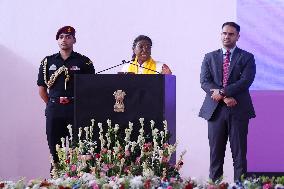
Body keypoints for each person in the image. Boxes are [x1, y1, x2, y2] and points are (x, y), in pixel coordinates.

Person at [199, 22, 256, 182]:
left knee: (239, 155)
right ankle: (215, 185)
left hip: (238, 109)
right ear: (220, 34)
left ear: (238, 36)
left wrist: (223, 92)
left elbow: (245, 81)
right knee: (215, 154)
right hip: (215, 111)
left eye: (231, 34)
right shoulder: (209, 57)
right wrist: (224, 97)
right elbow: (204, 81)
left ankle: (240, 185)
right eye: (224, 33)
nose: (227, 36)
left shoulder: (247, 57)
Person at [37, 26, 95, 165]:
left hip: (76, 109)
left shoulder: (84, 62)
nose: (64, 40)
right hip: (55, 110)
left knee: (80, 147)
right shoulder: (47, 62)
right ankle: (56, 178)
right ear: (57, 40)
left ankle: (79, 178)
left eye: (68, 37)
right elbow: (42, 89)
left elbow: (91, 88)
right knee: (55, 147)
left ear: (74, 40)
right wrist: (52, 103)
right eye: (61, 37)